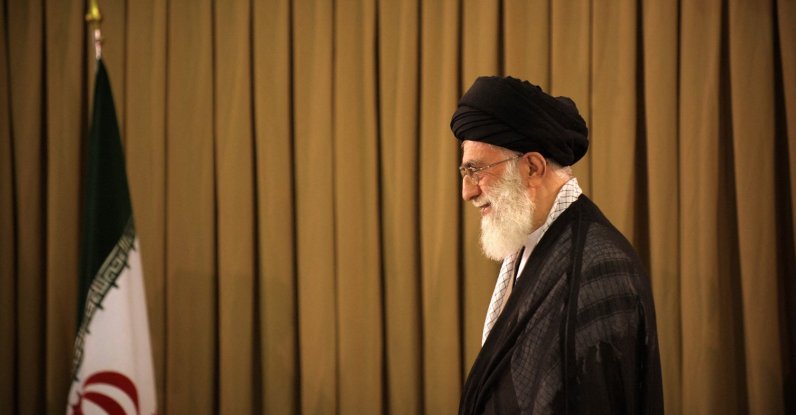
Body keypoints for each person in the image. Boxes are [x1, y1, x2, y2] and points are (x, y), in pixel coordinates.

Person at [451, 76, 663, 414]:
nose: (467, 191)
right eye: (465, 171)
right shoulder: (535, 242)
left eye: (476, 170)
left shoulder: (597, 266)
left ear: (532, 167)